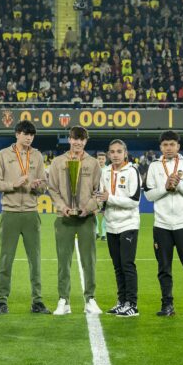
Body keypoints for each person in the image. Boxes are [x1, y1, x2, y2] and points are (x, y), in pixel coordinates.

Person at [144, 131, 183, 317]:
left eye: (172, 144)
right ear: (160, 147)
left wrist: (178, 185)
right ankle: (167, 305)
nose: (169, 148)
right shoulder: (154, 166)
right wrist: (165, 187)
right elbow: (148, 195)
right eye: (165, 145)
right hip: (162, 225)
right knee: (164, 268)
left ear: (178, 146)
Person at [0, 120, 49, 315]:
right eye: (25, 133)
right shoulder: (4, 155)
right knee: (6, 259)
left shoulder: (38, 155)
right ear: (17, 134)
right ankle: (1, 301)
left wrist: (37, 186)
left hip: (31, 213)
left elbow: (43, 186)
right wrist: (14, 184)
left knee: (35, 259)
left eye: (32, 135)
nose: (29, 137)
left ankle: (38, 301)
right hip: (10, 213)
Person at [47, 126, 102, 315]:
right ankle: (64, 300)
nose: (78, 142)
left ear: (85, 141)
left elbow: (98, 191)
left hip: (86, 219)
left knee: (89, 261)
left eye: (81, 139)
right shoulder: (58, 162)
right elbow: (52, 189)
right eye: (74, 139)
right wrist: (63, 207)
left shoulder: (93, 163)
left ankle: (90, 299)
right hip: (64, 218)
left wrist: (88, 208)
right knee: (64, 261)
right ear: (69, 140)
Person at [96, 139, 141, 317]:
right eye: (112, 151)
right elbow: (102, 197)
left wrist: (109, 198)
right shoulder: (105, 172)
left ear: (125, 153)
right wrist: (97, 205)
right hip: (112, 225)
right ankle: (122, 301)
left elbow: (134, 201)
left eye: (119, 151)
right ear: (108, 154)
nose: (115, 155)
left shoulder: (132, 171)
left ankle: (132, 304)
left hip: (128, 224)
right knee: (117, 266)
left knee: (127, 264)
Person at [95, 151, 108, 240]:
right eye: (99, 159)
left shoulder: (108, 169)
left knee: (105, 214)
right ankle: (96, 232)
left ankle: (104, 234)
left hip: (105, 194)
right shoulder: (94, 170)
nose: (101, 160)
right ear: (97, 159)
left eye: (102, 159)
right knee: (94, 213)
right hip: (96, 194)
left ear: (105, 159)